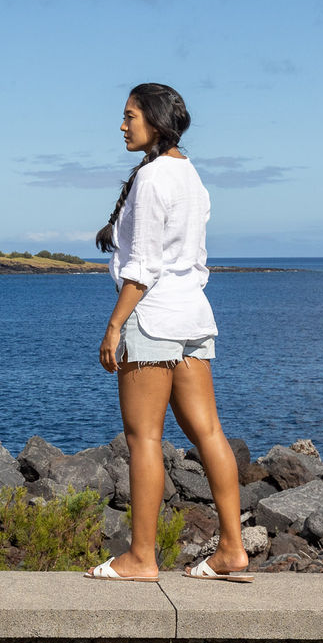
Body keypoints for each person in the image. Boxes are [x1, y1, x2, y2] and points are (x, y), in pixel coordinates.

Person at [83, 83, 253, 583]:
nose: (122, 124)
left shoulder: (153, 178)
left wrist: (115, 325)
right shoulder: (192, 177)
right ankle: (232, 549)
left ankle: (141, 557)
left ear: (153, 119)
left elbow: (143, 266)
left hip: (152, 315)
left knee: (144, 439)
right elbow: (194, 262)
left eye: (129, 115)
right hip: (192, 314)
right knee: (208, 432)